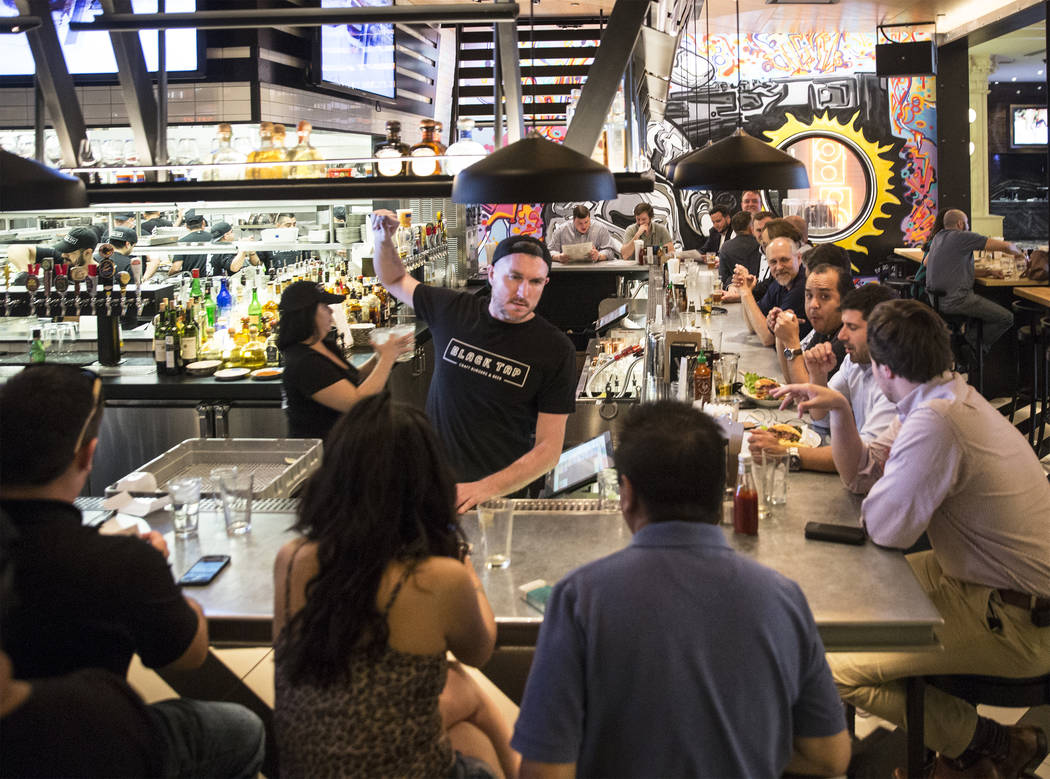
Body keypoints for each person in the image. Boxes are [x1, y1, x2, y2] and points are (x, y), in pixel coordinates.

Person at [773, 300, 1050, 778]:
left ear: (884, 370)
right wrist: (839, 409)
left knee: (828, 663)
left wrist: (887, 481)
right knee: (833, 599)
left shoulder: (938, 421)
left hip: (1019, 619)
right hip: (976, 579)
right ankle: (964, 753)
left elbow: (884, 529)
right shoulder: (940, 396)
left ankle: (991, 743)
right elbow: (862, 476)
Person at [511, 401, 851, 779]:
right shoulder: (783, 598)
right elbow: (830, 757)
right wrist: (740, 746)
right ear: (721, 492)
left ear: (627, 494)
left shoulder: (579, 599)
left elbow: (544, 772)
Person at [0, 364, 265, 779]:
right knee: (243, 729)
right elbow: (188, 654)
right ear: (88, 455)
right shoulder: (120, 561)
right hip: (90, 745)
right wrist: (154, 569)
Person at [273, 395, 517, 778]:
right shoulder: (439, 577)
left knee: (466, 729)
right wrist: (465, 566)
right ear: (428, 483)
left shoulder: (291, 559)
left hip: (306, 767)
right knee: (466, 695)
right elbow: (479, 649)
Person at [374, 213, 576, 512]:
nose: (523, 292)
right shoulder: (452, 309)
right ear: (491, 274)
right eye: (514, 277)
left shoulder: (556, 349)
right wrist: (383, 240)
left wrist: (484, 489)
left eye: (535, 282)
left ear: (545, 282)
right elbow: (393, 279)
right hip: (432, 483)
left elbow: (549, 449)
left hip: (498, 498)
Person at [750, 282, 897, 473]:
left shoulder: (894, 384)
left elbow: (862, 460)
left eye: (851, 327)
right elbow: (821, 418)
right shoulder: (855, 361)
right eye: (809, 295)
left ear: (880, 330)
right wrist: (818, 376)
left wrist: (786, 453)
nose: (841, 335)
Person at [277, 280, 412, 440]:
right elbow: (356, 403)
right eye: (324, 306)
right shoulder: (304, 363)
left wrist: (379, 357)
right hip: (325, 450)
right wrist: (387, 359)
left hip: (345, 444)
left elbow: (351, 376)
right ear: (307, 314)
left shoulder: (324, 345)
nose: (331, 311)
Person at [925, 208, 1021, 351]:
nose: (968, 226)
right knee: (1006, 318)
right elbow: (1007, 246)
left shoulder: (939, 237)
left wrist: (988, 271)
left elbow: (953, 269)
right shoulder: (962, 237)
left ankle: (969, 342)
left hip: (936, 300)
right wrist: (1021, 255)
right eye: (967, 223)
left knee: (992, 302)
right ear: (960, 224)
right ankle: (969, 343)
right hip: (956, 300)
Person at [773, 262, 852, 385]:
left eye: (824, 296)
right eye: (809, 295)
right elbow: (792, 377)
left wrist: (791, 342)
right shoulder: (825, 327)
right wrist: (781, 335)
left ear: (845, 301)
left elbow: (806, 392)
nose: (813, 305)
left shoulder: (846, 339)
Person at [736, 236, 809, 347]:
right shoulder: (779, 282)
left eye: (784, 260)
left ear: (798, 259)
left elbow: (767, 338)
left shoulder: (802, 287)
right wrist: (745, 289)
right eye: (773, 262)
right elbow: (752, 326)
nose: (779, 267)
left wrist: (746, 293)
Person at [6, 226, 98, 278]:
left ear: (87, 253)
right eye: (63, 250)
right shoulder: (57, 259)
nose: (63, 254)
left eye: (69, 252)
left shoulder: (102, 274)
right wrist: (25, 272)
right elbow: (15, 248)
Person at [548, 205, 617, 263]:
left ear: (589, 218)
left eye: (586, 222)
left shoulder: (601, 228)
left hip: (594, 270)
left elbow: (610, 252)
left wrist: (599, 256)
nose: (584, 226)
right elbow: (550, 252)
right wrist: (559, 257)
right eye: (580, 223)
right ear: (573, 220)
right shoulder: (561, 230)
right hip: (567, 271)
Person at [717, 210, 759, 289]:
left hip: (734, 289)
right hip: (758, 290)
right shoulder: (759, 245)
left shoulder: (725, 247)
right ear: (750, 227)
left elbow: (722, 277)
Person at [170, 210, 211, 275]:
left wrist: (169, 275)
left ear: (186, 226)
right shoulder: (214, 239)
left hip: (191, 279)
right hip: (212, 279)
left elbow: (176, 268)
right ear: (203, 223)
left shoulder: (182, 242)